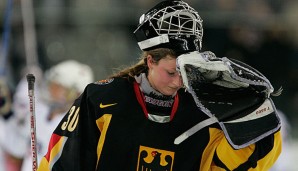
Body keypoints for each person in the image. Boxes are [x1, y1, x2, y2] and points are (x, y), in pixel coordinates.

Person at [38, 1, 282, 170]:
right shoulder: (101, 99)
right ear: (150, 60)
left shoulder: (205, 112)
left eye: (185, 73)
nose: (178, 82)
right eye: (171, 72)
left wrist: (256, 113)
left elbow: (239, 164)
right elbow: (62, 161)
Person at [2, 60, 94, 171]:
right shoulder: (41, 112)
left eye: (59, 87)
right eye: (52, 84)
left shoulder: (75, 130)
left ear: (77, 94)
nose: (51, 90)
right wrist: (6, 114)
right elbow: (17, 148)